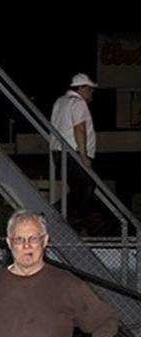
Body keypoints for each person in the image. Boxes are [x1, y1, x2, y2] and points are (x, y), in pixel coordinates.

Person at [49, 73, 98, 226]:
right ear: (82, 88)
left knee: (79, 188)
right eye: (90, 89)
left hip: (58, 152)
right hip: (73, 152)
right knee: (87, 186)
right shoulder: (77, 102)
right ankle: (65, 217)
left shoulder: (60, 101)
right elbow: (79, 128)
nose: (91, 93)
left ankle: (61, 214)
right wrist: (83, 155)